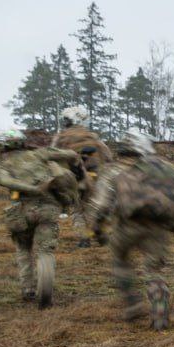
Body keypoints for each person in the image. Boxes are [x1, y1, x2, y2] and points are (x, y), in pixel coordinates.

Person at [89, 131, 174, 330]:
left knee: (120, 259)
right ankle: (159, 308)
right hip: (159, 227)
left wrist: (97, 230)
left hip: (127, 226)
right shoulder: (164, 168)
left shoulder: (113, 171)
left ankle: (133, 303)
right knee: (154, 269)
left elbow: (101, 206)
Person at [0, 130, 80, 309]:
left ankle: (28, 289)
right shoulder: (40, 153)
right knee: (45, 251)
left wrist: (30, 189)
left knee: (23, 249)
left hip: (20, 210)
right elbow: (71, 154)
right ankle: (45, 291)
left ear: (2, 145)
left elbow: (4, 181)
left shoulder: (3, 165)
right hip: (49, 208)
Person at [53, 106, 113, 247]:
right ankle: (103, 235)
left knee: (78, 208)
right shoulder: (93, 137)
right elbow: (108, 157)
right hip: (97, 177)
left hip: (74, 178)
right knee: (97, 206)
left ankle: (84, 239)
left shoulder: (60, 138)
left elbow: (53, 157)